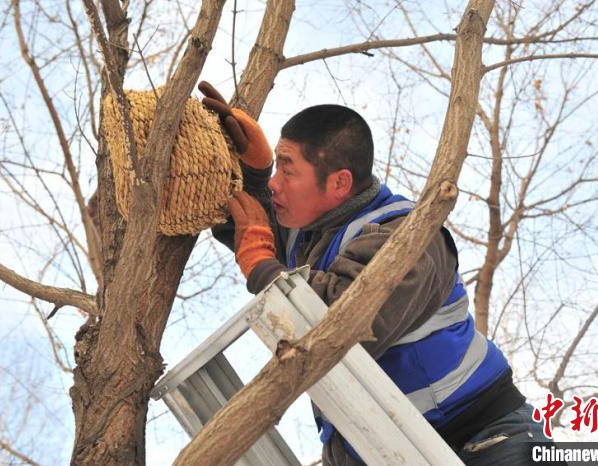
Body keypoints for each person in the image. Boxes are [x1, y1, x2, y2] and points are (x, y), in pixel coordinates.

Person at [199, 81, 558, 466]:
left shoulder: (407, 236)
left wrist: (263, 268)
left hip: (482, 438)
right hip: (391, 449)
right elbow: (249, 226)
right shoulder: (309, 230)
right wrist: (252, 173)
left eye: (287, 170)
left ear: (339, 183)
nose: (275, 185)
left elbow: (343, 327)